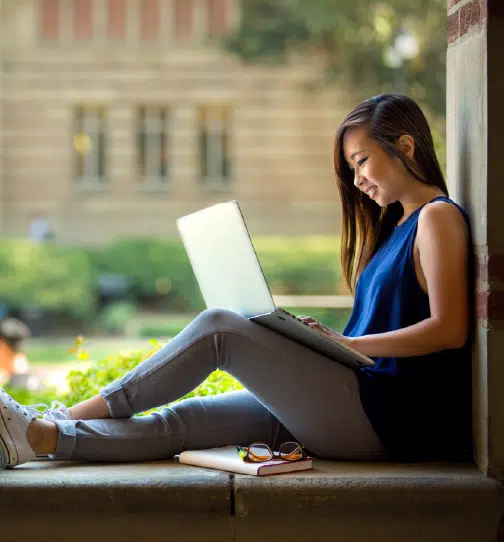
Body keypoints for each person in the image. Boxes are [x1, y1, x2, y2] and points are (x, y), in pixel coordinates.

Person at [0, 94, 473, 469]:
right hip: (357, 402)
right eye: (351, 167)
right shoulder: (396, 228)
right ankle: (40, 439)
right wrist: (319, 343)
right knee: (185, 421)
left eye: (361, 161)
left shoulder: (438, 218)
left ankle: (64, 415)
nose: (356, 180)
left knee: (221, 328)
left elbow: (450, 329)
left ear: (406, 147)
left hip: (388, 419)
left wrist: (349, 344)